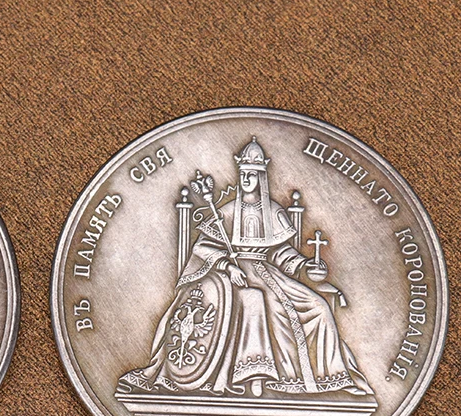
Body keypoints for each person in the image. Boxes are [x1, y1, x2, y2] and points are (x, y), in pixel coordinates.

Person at [119, 138, 372, 399]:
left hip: (270, 274)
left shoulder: (273, 212)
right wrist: (228, 267)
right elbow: (202, 247)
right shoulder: (226, 212)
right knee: (260, 302)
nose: (247, 179)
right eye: (243, 174)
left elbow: (280, 253)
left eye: (252, 174)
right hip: (233, 275)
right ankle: (257, 376)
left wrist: (305, 265)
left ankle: (328, 378)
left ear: (261, 176)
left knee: (318, 307)